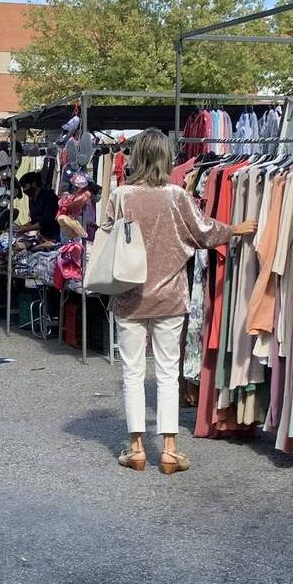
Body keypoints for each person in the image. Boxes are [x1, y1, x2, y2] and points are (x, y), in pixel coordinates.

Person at [101, 129, 254, 475]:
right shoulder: (177, 196)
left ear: (138, 157)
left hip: (129, 295)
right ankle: (169, 449)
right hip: (170, 296)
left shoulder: (121, 196)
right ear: (167, 158)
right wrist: (233, 230)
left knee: (132, 372)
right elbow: (202, 232)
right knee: (169, 373)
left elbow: (107, 236)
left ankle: (137, 447)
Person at [16, 172, 60, 241]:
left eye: (25, 186)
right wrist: (21, 227)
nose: (24, 190)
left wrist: (25, 229)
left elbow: (45, 221)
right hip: (44, 236)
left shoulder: (49, 197)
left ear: (33, 184)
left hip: (56, 235)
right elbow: (34, 220)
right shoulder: (32, 199)